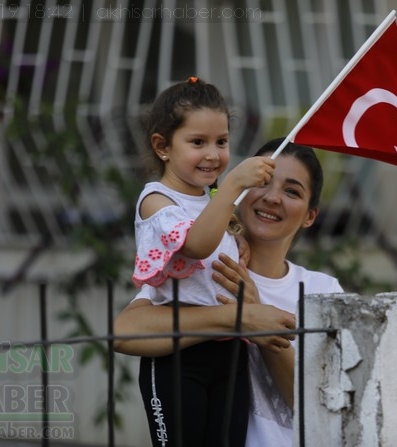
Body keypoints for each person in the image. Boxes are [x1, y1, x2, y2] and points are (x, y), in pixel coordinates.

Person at [115, 138, 344, 447]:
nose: (273, 198)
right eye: (262, 182)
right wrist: (237, 317)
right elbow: (125, 333)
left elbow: (322, 408)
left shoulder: (323, 290)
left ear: (309, 216)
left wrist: (259, 319)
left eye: (292, 191)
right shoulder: (204, 270)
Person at [131, 76, 275, 447]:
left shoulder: (210, 199)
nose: (213, 155)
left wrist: (236, 233)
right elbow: (194, 245)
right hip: (180, 355)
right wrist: (231, 187)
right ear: (162, 147)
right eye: (198, 142)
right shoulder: (156, 200)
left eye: (221, 142)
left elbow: (213, 235)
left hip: (230, 351)